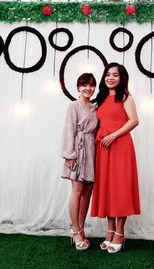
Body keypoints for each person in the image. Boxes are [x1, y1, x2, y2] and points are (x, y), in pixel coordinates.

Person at [91, 63, 141, 253]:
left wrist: (113, 136)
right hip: (103, 149)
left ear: (122, 78)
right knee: (108, 189)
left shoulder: (125, 96)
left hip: (120, 146)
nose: (110, 78)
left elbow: (134, 120)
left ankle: (120, 232)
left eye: (115, 75)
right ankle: (110, 231)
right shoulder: (102, 98)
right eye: (108, 74)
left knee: (120, 188)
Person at [61, 73, 98, 251]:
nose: (88, 88)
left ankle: (81, 229)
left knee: (87, 192)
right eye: (84, 85)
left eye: (91, 85)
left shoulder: (94, 108)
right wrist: (69, 155)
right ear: (78, 87)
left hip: (92, 152)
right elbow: (68, 130)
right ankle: (75, 231)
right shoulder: (73, 106)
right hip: (77, 150)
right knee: (77, 191)